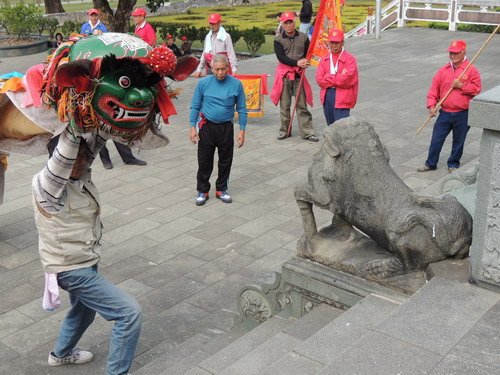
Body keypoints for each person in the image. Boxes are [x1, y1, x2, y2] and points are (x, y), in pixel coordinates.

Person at [32, 126, 142, 374]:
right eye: (76, 157)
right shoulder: (46, 185)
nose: (83, 162)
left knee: (84, 310)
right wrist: (72, 116)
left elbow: (100, 137)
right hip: (71, 269)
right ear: (58, 159)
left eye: (84, 157)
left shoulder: (79, 174)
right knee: (129, 313)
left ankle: (60, 354)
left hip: (84, 262)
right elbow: (67, 152)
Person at [189, 54, 246, 206]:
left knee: (225, 161)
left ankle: (221, 188)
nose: (220, 73)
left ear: (228, 68)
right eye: (217, 69)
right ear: (211, 69)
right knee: (204, 161)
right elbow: (195, 105)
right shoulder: (204, 83)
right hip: (207, 127)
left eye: (223, 69)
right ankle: (203, 190)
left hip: (226, 128)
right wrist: (192, 127)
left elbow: (242, 108)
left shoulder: (236, 84)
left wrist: (242, 130)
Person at [417, 39, 481, 173]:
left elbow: (477, 89)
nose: (452, 56)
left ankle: (453, 164)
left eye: (456, 53)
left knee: (458, 141)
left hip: (463, 113)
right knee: (436, 139)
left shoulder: (471, 70)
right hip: (445, 113)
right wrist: (431, 106)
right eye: (451, 53)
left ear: (464, 52)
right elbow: (433, 90)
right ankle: (431, 163)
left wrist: (461, 86)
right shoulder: (443, 70)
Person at [270, 11, 318, 142]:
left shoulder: (303, 37)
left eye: (290, 22)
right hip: (285, 75)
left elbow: (308, 53)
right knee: (285, 105)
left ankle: (307, 132)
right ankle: (284, 130)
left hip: (298, 74)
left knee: (301, 105)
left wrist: (306, 61)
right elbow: (281, 57)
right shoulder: (278, 39)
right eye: (286, 23)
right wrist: (297, 62)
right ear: (283, 24)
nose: (289, 25)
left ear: (294, 22)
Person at [315, 29, 359, 125]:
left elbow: (346, 80)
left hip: (343, 96)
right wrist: (337, 77)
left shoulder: (350, 59)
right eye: (332, 42)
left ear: (342, 42)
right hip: (328, 95)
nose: (334, 45)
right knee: (330, 126)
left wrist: (327, 76)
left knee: (342, 128)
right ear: (329, 42)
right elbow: (319, 80)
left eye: (337, 43)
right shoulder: (324, 59)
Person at [193, 13, 237, 77]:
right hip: (211, 68)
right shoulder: (208, 37)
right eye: (211, 23)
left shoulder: (226, 36)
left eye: (214, 23)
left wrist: (234, 69)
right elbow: (205, 53)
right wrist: (199, 69)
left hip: (222, 68)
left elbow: (231, 54)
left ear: (219, 22)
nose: (212, 26)